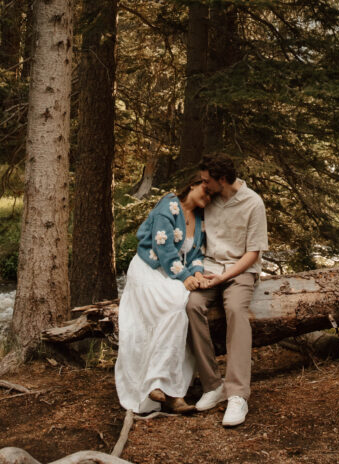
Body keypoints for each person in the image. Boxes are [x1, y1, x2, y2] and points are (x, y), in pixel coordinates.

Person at [115, 175, 210, 415]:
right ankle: (161, 386)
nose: (207, 198)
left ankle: (168, 388)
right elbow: (164, 249)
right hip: (149, 270)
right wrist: (185, 277)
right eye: (205, 191)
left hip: (172, 274)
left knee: (182, 307)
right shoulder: (168, 205)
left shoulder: (199, 219)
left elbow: (196, 253)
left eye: (211, 196)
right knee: (175, 304)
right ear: (192, 183)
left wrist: (197, 272)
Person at [187, 154, 268, 428]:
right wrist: (198, 270)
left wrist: (224, 277)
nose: (203, 184)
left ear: (222, 180)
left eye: (207, 180)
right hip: (209, 268)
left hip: (239, 270)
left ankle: (237, 395)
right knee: (191, 306)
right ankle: (213, 385)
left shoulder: (253, 203)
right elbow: (194, 237)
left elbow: (253, 253)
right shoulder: (207, 199)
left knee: (235, 310)